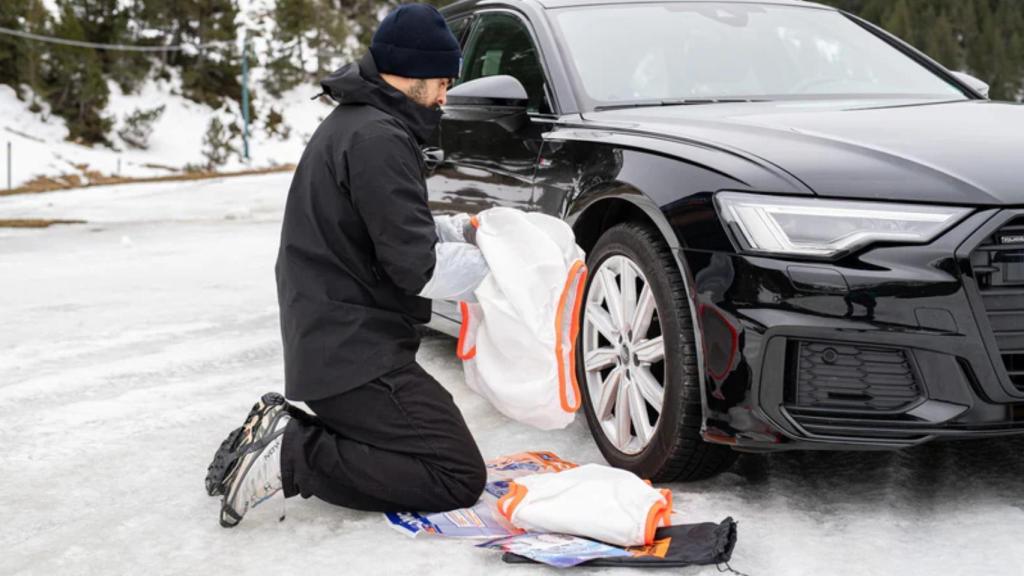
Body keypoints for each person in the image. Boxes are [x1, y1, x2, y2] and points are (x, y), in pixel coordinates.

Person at [205, 3, 491, 528]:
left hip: (339, 341)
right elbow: (416, 267)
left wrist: (468, 234)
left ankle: (285, 434)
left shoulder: (363, 125)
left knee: (433, 443)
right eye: (443, 82)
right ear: (412, 72)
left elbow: (393, 231)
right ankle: (292, 453)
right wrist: (503, 273)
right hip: (353, 354)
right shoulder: (377, 138)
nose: (446, 97)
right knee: (455, 474)